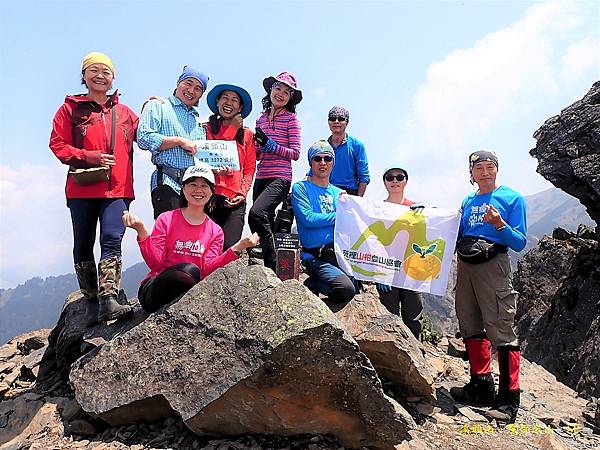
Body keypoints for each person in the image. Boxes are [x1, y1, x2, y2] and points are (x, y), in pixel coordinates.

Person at [49, 52, 137, 323]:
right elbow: (58, 144)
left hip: (118, 189)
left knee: (112, 238)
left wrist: (156, 106)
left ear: (113, 79)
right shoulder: (70, 109)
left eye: (106, 72)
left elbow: (147, 135)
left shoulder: (125, 113)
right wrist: (91, 156)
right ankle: (90, 298)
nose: (100, 76)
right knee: (83, 243)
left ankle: (108, 299)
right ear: (84, 76)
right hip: (82, 189)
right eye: (94, 70)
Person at [449, 150, 527, 424]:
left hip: (494, 265)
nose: (484, 171)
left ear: (497, 169)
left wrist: (500, 224)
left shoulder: (512, 198)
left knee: (500, 327)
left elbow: (519, 242)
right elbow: (456, 231)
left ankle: (508, 400)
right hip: (466, 264)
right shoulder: (468, 200)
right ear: (470, 173)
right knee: (469, 322)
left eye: (489, 166)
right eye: (478, 167)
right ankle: (481, 385)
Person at [122, 163, 259, 314]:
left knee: (191, 274)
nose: (198, 190)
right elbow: (156, 264)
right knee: (188, 271)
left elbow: (207, 269)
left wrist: (237, 248)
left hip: (189, 291)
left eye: (204, 186)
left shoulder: (215, 231)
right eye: (193, 184)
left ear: (212, 191)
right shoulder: (166, 219)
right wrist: (142, 232)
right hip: (154, 292)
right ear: (183, 188)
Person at [137, 66, 209, 219]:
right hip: (167, 182)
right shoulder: (158, 106)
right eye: (188, 83)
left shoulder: (198, 121)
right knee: (169, 235)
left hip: (193, 188)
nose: (191, 90)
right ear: (178, 83)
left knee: (190, 238)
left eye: (198, 88)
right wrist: (179, 141)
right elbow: (143, 138)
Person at [248, 71, 302, 271]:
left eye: (286, 92)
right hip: (261, 175)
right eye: (278, 88)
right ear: (270, 90)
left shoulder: (291, 119)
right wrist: (256, 146)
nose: (281, 93)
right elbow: (258, 154)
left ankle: (273, 263)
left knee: (256, 213)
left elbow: (295, 153)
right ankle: (274, 268)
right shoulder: (260, 119)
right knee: (264, 221)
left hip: (280, 177)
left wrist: (272, 146)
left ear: (290, 98)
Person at [291, 140, 357, 303]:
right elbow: (308, 218)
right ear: (310, 162)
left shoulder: (339, 193)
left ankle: (317, 282)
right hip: (314, 256)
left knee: (357, 284)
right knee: (346, 289)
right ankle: (312, 282)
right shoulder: (301, 188)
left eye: (327, 159)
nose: (323, 163)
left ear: (333, 163)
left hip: (337, 254)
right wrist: (339, 215)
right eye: (317, 158)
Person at [204, 83, 256, 250]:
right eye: (225, 98)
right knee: (205, 248)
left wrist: (242, 193)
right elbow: (217, 154)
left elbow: (249, 169)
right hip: (207, 197)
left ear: (240, 107)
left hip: (234, 200)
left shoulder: (247, 135)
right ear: (217, 102)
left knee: (229, 248)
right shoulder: (205, 129)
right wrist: (232, 128)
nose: (229, 102)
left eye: (234, 100)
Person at [375, 164, 424, 340]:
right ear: (384, 182)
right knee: (389, 318)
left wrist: (424, 216)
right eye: (390, 177)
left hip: (411, 271)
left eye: (399, 177)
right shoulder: (377, 209)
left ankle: (417, 358)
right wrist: (380, 272)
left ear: (406, 181)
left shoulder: (417, 208)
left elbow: (426, 236)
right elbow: (374, 241)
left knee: (414, 318)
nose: (394, 181)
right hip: (387, 270)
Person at [312, 106, 369, 196]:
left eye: (341, 119)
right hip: (325, 191)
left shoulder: (357, 145)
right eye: (333, 118)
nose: (336, 121)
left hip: (349, 193)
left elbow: (364, 177)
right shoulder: (322, 146)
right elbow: (312, 172)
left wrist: (358, 201)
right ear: (328, 122)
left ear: (347, 122)